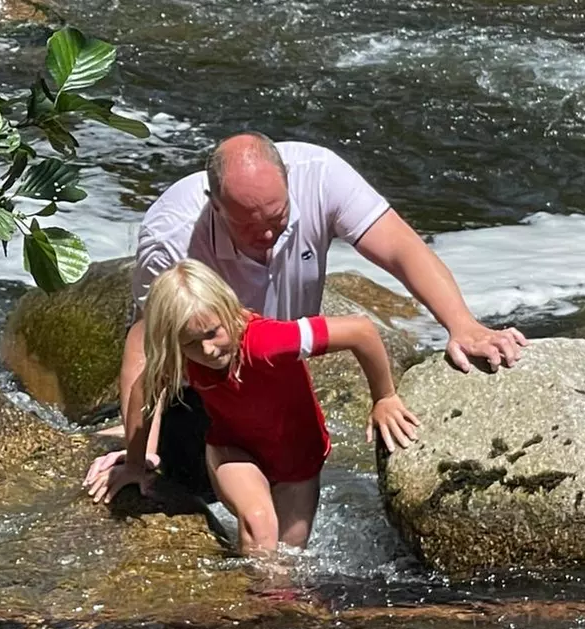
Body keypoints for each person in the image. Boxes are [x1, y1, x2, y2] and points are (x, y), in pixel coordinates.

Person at [84, 133, 526, 504]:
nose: (268, 236)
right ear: (214, 206)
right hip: (200, 375)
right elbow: (146, 347)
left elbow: (401, 249)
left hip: (273, 356)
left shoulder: (322, 175)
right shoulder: (173, 233)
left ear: (289, 184)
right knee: (190, 483)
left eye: (277, 218)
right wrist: (139, 450)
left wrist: (462, 324)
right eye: (248, 226)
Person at [142, 259, 420, 556]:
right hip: (232, 450)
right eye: (191, 343)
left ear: (229, 310)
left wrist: (384, 397)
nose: (207, 350)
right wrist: (138, 459)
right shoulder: (180, 357)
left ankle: (266, 601)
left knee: (287, 564)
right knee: (259, 526)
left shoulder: (268, 342)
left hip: (297, 462)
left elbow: (360, 331)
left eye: (212, 333)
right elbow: (145, 389)